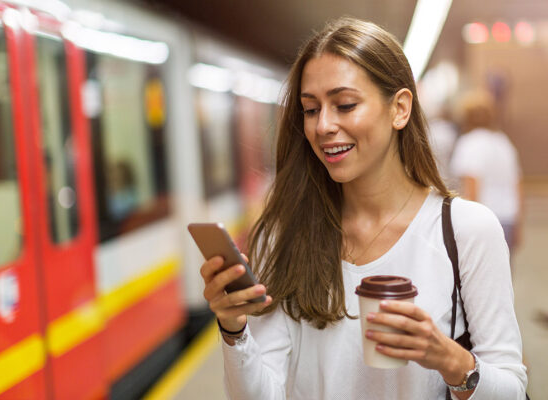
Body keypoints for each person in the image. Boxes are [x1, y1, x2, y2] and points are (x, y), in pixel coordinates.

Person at [200, 18, 527, 399]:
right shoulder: (283, 235)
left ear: (400, 109)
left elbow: (513, 390)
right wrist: (233, 329)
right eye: (310, 109)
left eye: (345, 104)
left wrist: (452, 361)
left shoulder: (466, 231)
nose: (323, 126)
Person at [450, 90, 523, 258]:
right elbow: (517, 184)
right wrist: (518, 223)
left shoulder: (469, 143)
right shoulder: (503, 142)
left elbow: (472, 188)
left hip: (484, 221)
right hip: (508, 218)